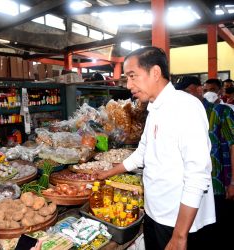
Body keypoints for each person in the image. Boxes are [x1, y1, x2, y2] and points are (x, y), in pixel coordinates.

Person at [95, 47, 215, 250]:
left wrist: (179, 235)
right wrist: (108, 172)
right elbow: (142, 153)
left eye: (133, 76)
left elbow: (198, 175)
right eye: (126, 78)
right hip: (155, 213)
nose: (129, 85)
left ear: (156, 73)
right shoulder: (155, 109)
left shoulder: (186, 108)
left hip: (177, 221)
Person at [174, 76, 234, 248]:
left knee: (217, 232)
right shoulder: (182, 115)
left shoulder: (221, 112)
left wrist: (232, 182)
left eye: (186, 92)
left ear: (199, 90)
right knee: (196, 234)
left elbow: (233, 147)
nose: (182, 97)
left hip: (218, 186)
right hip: (191, 188)